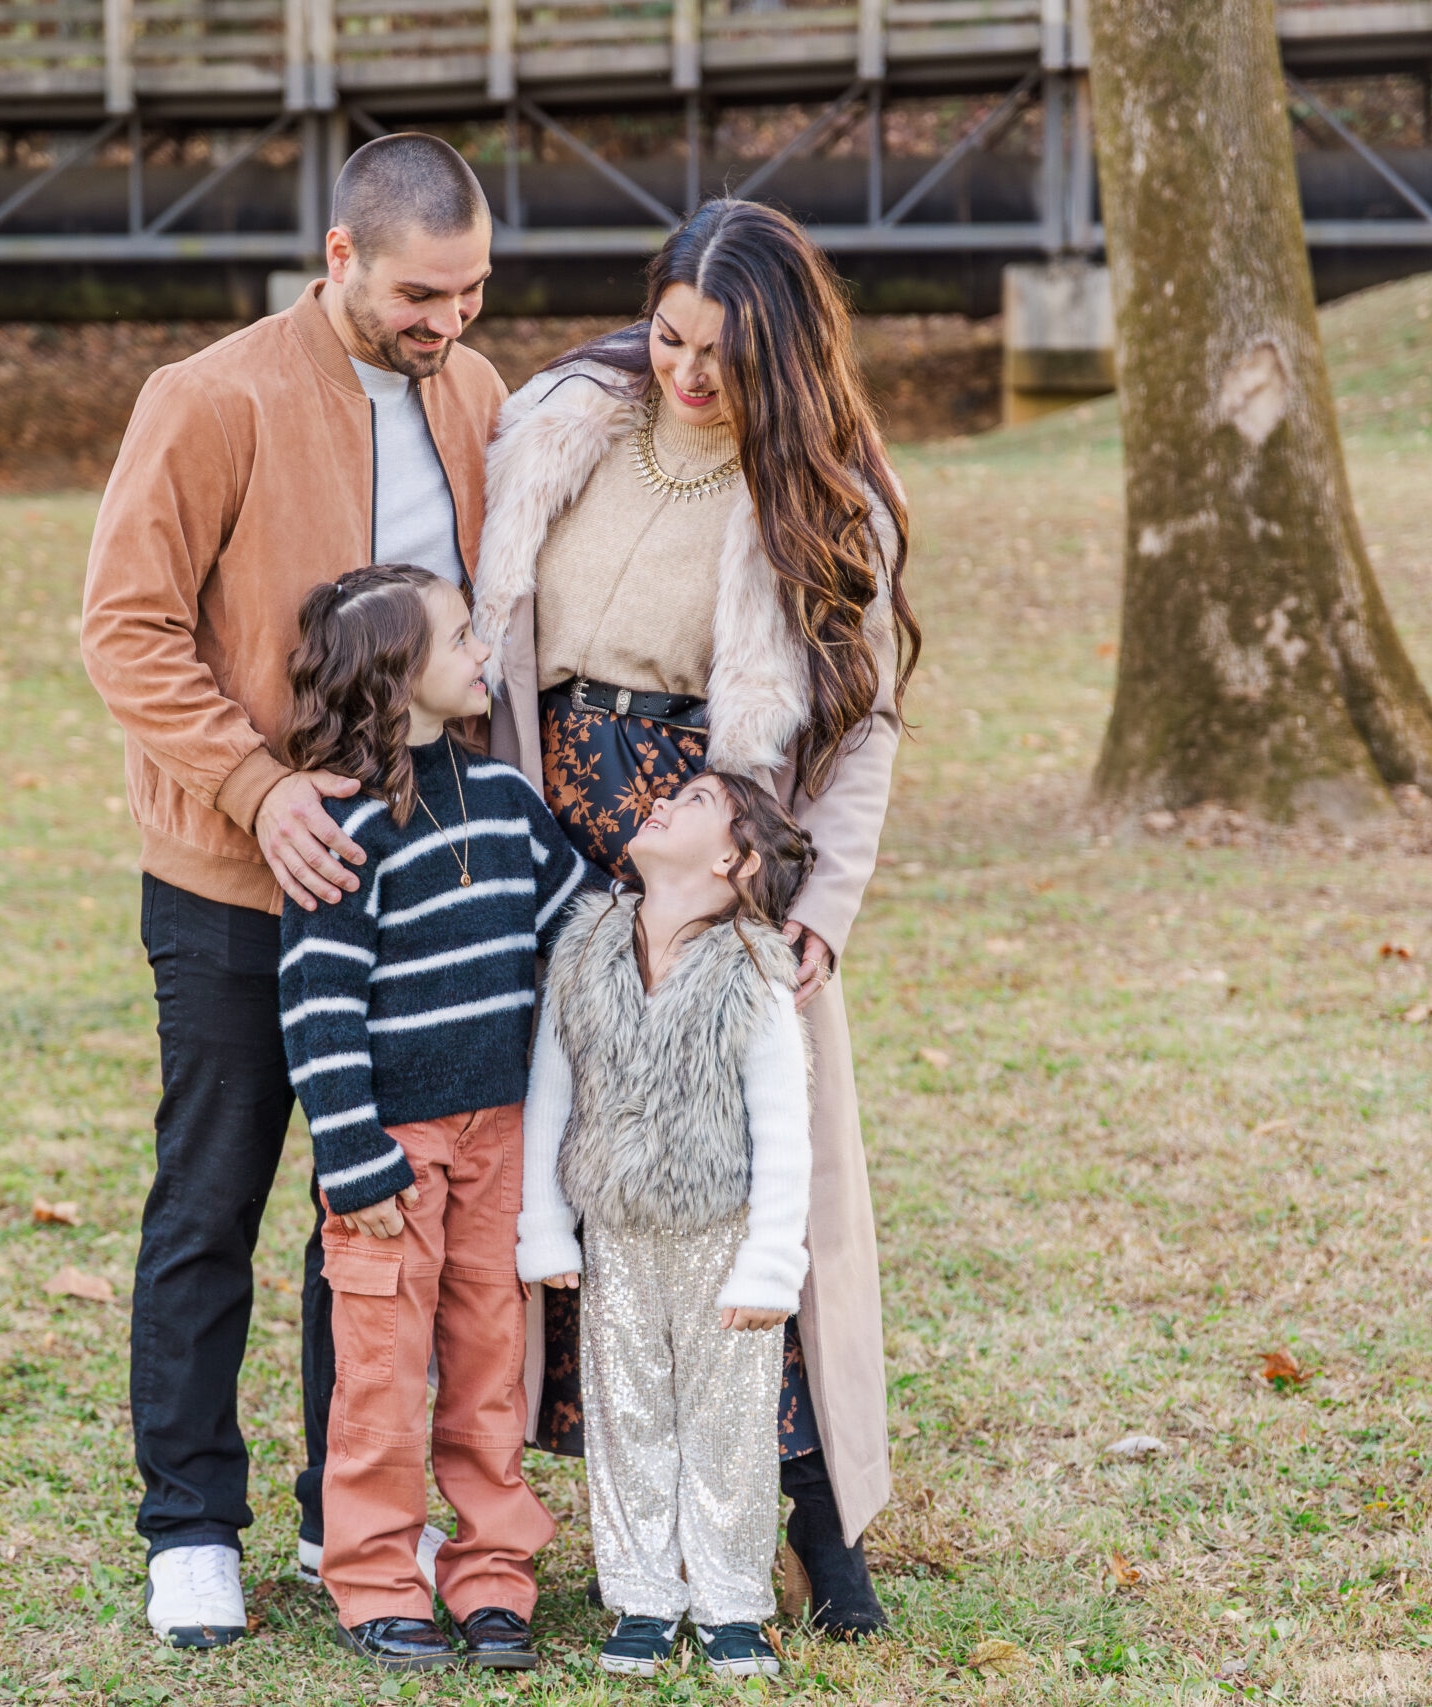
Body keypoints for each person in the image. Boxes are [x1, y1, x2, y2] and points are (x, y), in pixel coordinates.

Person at [80, 132, 506, 1649]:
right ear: (340, 257)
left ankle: (355, 1510)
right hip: (230, 877)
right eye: (417, 293)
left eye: (468, 292)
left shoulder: (476, 393)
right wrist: (258, 793)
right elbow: (123, 628)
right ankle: (189, 1521)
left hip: (407, 893)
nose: (445, 323)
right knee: (212, 1195)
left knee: (372, 1208)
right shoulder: (208, 398)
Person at [473, 198, 921, 1636]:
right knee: (578, 1176)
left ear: (783, 355)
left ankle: (816, 1526)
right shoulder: (567, 428)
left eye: (723, 355)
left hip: (714, 852)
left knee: (745, 1183)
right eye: (669, 336)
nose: (686, 373)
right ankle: (613, 1519)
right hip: (556, 830)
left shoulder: (825, 499)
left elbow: (871, 727)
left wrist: (821, 910)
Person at [274, 564, 591, 1671]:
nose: (482, 654)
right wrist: (351, 1157)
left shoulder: (505, 799)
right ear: (393, 680)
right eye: (459, 639)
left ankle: (493, 1572)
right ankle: (373, 1577)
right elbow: (316, 1006)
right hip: (389, 1157)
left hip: (499, 1139)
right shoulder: (339, 829)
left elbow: (577, 923)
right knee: (379, 1375)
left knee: (487, 1360)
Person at [516, 774, 818, 1680]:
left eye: (692, 800)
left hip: (720, 1231)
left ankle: (731, 1599)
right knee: (626, 1410)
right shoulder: (587, 949)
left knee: (726, 1417)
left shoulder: (753, 972)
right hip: (615, 1231)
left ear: (735, 859)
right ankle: (642, 1595)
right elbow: (550, 1097)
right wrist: (545, 1224)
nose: (661, 799)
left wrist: (771, 1262)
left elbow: (784, 1129)